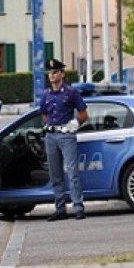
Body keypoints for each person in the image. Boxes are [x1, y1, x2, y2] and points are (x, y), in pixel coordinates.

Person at [39, 58, 89, 221]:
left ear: (62, 74)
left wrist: (75, 124)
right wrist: (48, 125)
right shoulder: (46, 95)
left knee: (72, 172)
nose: (52, 75)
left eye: (55, 72)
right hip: (51, 136)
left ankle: (78, 207)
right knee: (55, 174)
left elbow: (84, 114)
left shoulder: (70, 92)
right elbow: (44, 114)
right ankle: (60, 208)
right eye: (50, 73)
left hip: (66, 135)